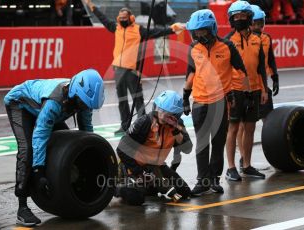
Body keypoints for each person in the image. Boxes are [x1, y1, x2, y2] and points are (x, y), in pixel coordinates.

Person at [4, 69, 105, 226]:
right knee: (28, 150)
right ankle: (22, 208)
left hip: (46, 109)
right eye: (84, 103)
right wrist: (38, 171)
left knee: (66, 147)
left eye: (88, 105)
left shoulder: (82, 100)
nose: (85, 107)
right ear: (76, 94)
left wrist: (92, 155)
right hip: (20, 105)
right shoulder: (55, 101)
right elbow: (40, 135)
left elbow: (86, 131)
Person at [84, 0, 184, 135]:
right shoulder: (116, 27)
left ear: (131, 18)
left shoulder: (139, 30)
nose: (122, 20)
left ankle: (142, 125)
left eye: (125, 18)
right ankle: (124, 126)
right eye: (120, 18)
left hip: (132, 71)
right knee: (122, 101)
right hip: (118, 70)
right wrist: (91, 5)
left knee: (138, 100)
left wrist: (172, 29)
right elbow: (102, 18)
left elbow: (156, 32)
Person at [183, 9, 247, 196]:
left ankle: (214, 180)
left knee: (217, 144)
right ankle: (202, 181)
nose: (198, 35)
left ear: (211, 28)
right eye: (195, 32)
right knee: (202, 144)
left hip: (220, 103)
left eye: (202, 31)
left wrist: (246, 93)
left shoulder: (227, 47)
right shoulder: (194, 48)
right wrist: (185, 98)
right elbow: (190, 74)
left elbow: (241, 70)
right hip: (200, 104)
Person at [116, 90, 192, 203]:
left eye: (166, 113)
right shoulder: (145, 122)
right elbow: (121, 149)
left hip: (156, 166)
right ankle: (115, 188)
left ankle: (152, 186)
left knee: (185, 192)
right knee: (136, 198)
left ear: (175, 116)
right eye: (159, 109)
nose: (160, 114)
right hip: (135, 166)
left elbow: (187, 149)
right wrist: (139, 172)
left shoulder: (177, 125)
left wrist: (175, 130)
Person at [225, 1, 268, 182]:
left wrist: (264, 89)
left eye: (243, 16)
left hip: (255, 90)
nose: (240, 19)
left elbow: (261, 69)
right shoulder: (227, 42)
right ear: (231, 19)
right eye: (236, 17)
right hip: (236, 90)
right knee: (233, 128)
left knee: (250, 128)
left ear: (249, 18)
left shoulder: (257, 39)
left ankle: (247, 165)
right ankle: (231, 168)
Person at [237, 4, 279, 170]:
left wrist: (275, 78)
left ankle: (276, 152)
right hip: (245, 86)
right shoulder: (241, 38)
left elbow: (270, 61)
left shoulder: (266, 38)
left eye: (261, 23)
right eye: (255, 23)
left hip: (262, 85)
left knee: (268, 120)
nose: (258, 27)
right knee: (243, 125)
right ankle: (243, 157)